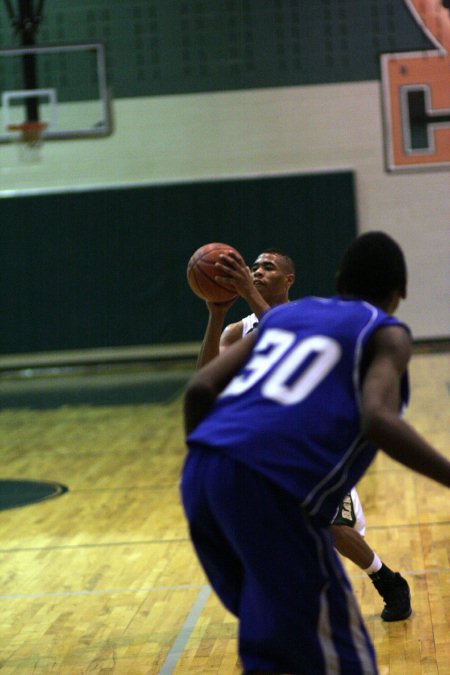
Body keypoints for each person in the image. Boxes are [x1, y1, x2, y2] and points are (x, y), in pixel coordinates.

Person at [181, 232, 450, 674]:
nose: (258, 272)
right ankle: (386, 581)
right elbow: (378, 420)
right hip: (282, 474)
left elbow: (200, 390)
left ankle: (383, 579)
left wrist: (207, 463)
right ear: (401, 292)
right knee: (342, 655)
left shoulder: (290, 317)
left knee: (272, 636)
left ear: (338, 280)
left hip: (204, 477)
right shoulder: (385, 332)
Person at [196, 247, 411, 622]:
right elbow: (206, 378)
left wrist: (249, 292)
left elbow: (290, 341)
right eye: (255, 267)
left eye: (269, 267)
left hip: (319, 441)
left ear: (289, 280)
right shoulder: (239, 330)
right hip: (266, 446)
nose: (258, 271)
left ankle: (387, 580)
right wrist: (215, 316)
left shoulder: (309, 316)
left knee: (333, 526)